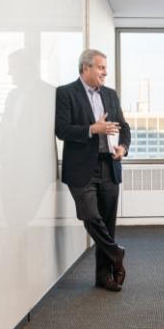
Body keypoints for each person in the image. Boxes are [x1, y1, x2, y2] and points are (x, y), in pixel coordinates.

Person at [55, 49, 131, 292]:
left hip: (109, 165)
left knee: (107, 223)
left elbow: (124, 127)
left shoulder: (110, 94)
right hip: (81, 167)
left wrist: (124, 148)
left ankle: (104, 275)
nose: (105, 72)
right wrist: (93, 129)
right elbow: (62, 130)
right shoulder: (66, 93)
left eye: (105, 68)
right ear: (85, 68)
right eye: (100, 67)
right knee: (89, 216)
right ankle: (116, 253)